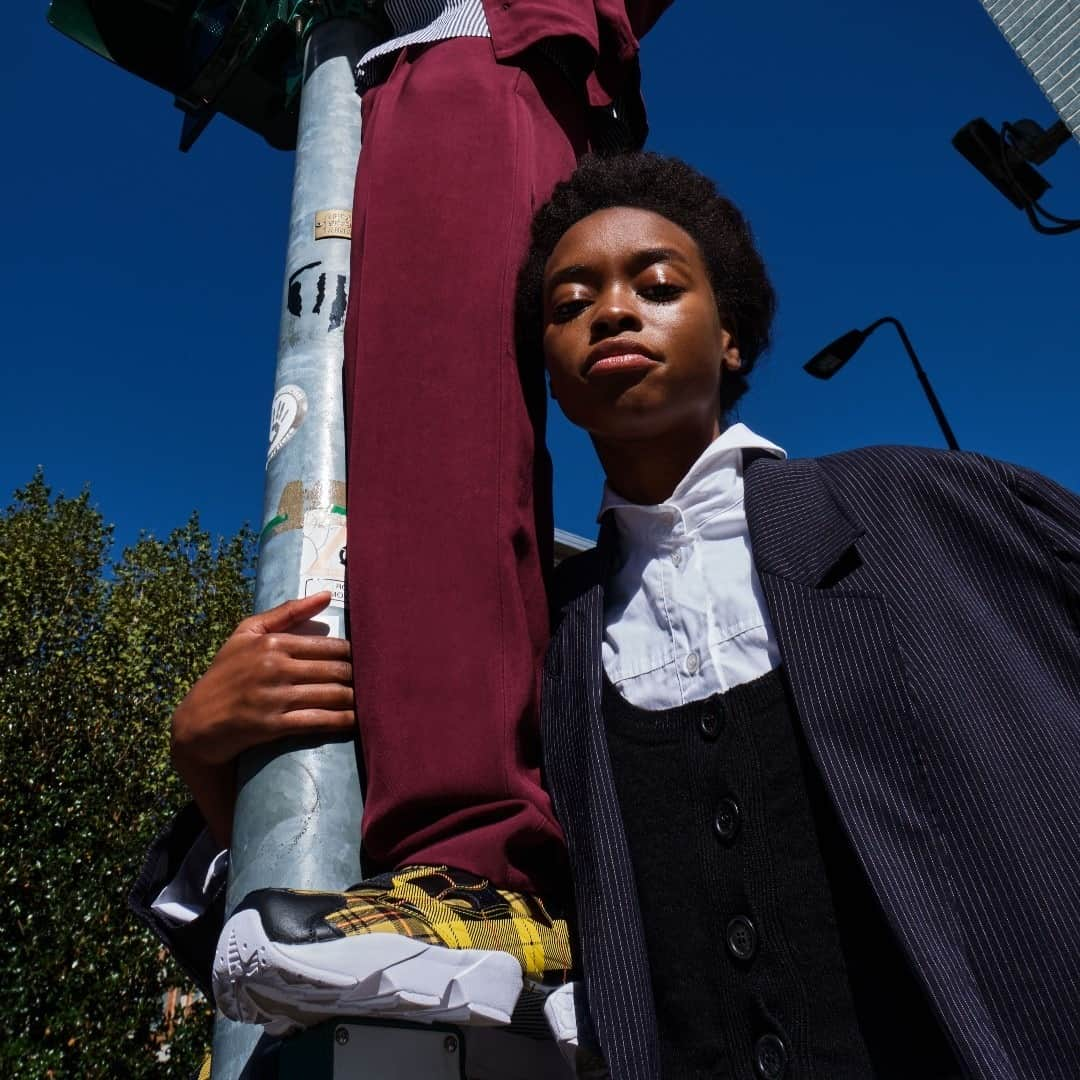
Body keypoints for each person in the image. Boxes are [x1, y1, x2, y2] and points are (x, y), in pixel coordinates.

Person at [133, 0, 676, 1042]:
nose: (614, 317)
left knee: (441, 404)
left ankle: (481, 870)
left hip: (480, 54)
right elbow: (260, 935)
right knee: (404, 436)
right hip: (409, 78)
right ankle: (468, 867)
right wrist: (208, 762)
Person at [520, 152, 1080, 1079]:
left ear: (731, 338)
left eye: (656, 284)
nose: (611, 311)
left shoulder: (939, 506)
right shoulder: (548, 640)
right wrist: (216, 765)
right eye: (569, 304)